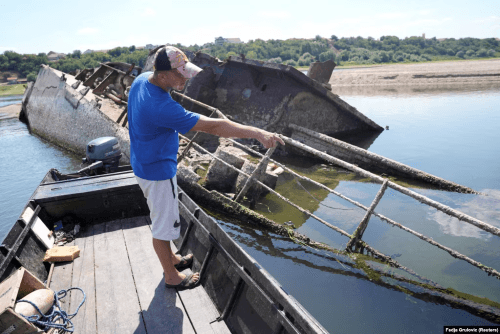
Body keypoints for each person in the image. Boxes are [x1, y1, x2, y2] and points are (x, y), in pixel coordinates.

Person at [128, 46, 284, 290]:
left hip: (142, 161)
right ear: (163, 75)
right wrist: (256, 132)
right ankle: (171, 276)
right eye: (180, 74)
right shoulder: (161, 107)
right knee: (163, 226)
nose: (186, 78)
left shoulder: (141, 81)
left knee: (163, 217)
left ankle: (173, 259)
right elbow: (215, 127)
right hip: (157, 171)